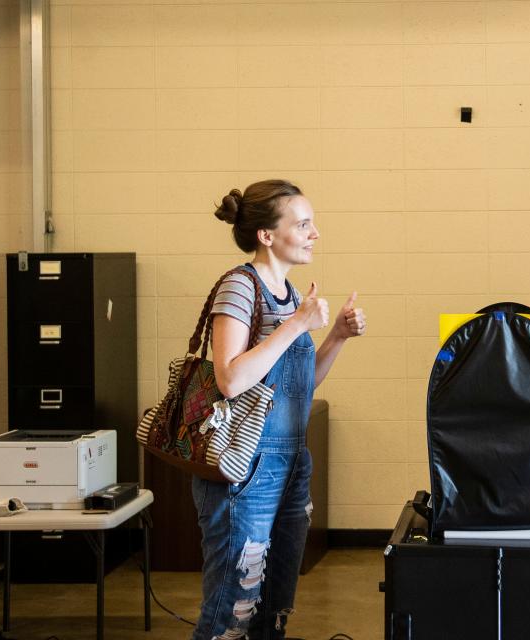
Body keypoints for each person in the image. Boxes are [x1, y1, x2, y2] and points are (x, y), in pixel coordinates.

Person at [192, 179, 366, 640]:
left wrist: (336, 338)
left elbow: (298, 388)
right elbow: (229, 378)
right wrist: (296, 325)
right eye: (303, 224)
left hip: (290, 462)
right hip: (245, 467)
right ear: (267, 235)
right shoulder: (239, 286)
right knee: (233, 606)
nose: (315, 233)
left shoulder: (290, 293)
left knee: (272, 605)